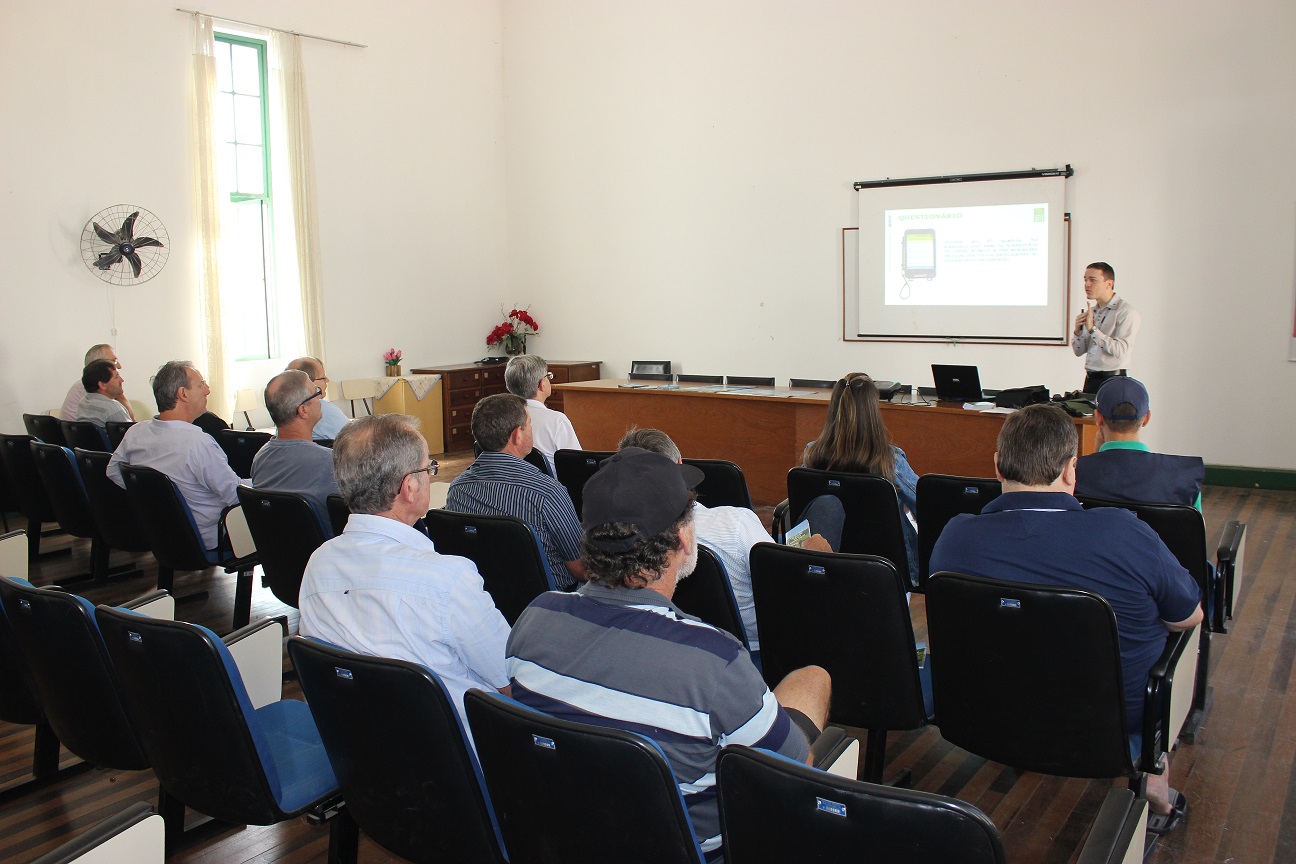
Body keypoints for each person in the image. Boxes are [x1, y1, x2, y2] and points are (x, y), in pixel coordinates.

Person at [506, 446, 831, 857]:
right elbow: (795, 773)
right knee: (813, 679)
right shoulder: (715, 660)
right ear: (682, 539)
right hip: (702, 851)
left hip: (570, 841)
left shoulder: (534, 617)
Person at [930, 403, 1202, 835]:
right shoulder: (1124, 533)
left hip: (983, 712)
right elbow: (1189, 617)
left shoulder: (954, 538)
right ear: (1072, 470)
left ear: (998, 466)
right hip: (1111, 724)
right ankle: (1155, 781)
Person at [298, 413, 511, 729]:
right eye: (429, 468)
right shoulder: (448, 578)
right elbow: (509, 682)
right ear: (410, 487)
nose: (431, 475)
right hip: (461, 751)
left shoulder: (318, 563)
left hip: (361, 739)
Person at [618, 427, 829, 653]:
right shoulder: (736, 524)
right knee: (827, 508)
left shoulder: (614, 542)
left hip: (670, 645)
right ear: (680, 466)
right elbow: (786, 589)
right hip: (757, 650)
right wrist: (814, 556)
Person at [445, 393, 585, 588]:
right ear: (517, 435)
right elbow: (580, 568)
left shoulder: (457, 489)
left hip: (485, 594)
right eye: (529, 424)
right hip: (550, 600)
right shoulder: (547, 492)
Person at [107, 361, 241, 551]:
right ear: (183, 393)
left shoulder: (136, 433)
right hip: (212, 536)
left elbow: (113, 471)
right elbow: (234, 494)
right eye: (201, 384)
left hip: (161, 532)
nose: (208, 390)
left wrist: (152, 499)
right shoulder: (198, 442)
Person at [802, 372, 919, 586]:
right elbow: (926, 504)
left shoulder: (812, 455)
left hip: (826, 568)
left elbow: (804, 504)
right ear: (873, 412)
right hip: (884, 567)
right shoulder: (890, 460)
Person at [1075, 376, 1204, 510]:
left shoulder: (1073, 475)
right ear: (1146, 418)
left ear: (1098, 418)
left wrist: (1095, 458)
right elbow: (1194, 529)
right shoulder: (1184, 478)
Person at [250, 369, 340, 532]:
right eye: (316, 393)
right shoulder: (328, 462)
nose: (320, 398)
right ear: (303, 410)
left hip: (279, 552)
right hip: (326, 552)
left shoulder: (260, 458)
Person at [1071, 262, 1140, 394]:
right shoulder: (1094, 311)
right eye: (1085, 280)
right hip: (1091, 380)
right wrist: (1078, 332)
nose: (1087, 284)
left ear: (1109, 284)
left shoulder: (1126, 312)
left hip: (1113, 380)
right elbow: (1078, 351)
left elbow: (1121, 350)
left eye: (1093, 280)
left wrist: (1092, 330)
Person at [504, 354, 581, 470]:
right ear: (542, 384)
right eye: (548, 376)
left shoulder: (499, 416)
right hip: (548, 486)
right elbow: (576, 463)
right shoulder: (557, 420)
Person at [60, 344, 135, 422]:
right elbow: (130, 427)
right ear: (99, 365)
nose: (119, 366)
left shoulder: (85, 398)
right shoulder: (94, 395)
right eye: (113, 361)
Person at [286, 356, 350, 441]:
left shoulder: (284, 410)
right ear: (308, 382)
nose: (327, 380)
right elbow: (354, 439)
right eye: (323, 377)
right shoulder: (321, 408)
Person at [74, 360, 132, 429]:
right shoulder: (112, 408)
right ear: (102, 385)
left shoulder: (83, 403)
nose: (122, 380)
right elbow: (132, 435)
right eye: (116, 377)